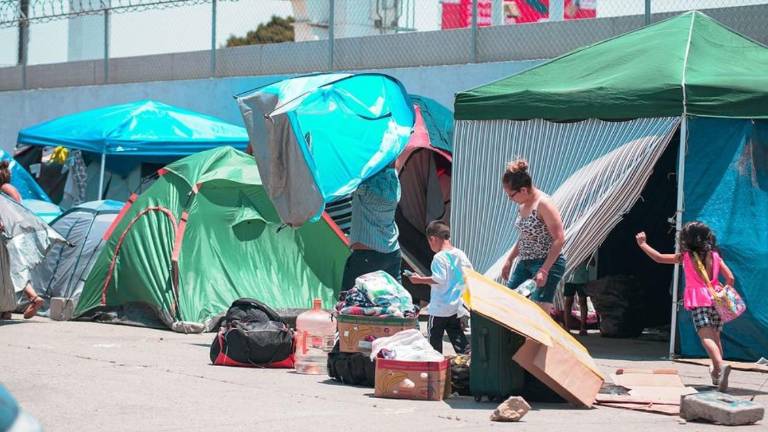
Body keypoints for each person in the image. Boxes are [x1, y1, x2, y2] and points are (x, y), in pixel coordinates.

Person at [635, 222, 735, 391]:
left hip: (699, 300)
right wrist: (722, 293)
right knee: (716, 338)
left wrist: (643, 244)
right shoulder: (716, 256)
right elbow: (730, 279)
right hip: (717, 300)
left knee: (706, 337)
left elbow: (659, 257)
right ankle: (717, 372)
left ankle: (720, 365)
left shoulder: (686, 257)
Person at [500, 159, 566, 311]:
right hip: (525, 262)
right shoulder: (522, 205)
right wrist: (510, 259)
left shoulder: (543, 204)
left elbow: (559, 238)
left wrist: (544, 270)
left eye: (511, 196)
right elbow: (524, 236)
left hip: (546, 263)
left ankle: (542, 335)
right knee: (509, 303)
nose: (510, 200)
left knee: (539, 312)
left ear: (523, 190)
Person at [407, 220, 471, 354]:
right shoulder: (459, 254)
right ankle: (468, 364)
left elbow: (439, 279)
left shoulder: (439, 258)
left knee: (434, 341)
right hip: (455, 307)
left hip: (439, 309)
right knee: (458, 337)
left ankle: (436, 366)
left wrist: (419, 280)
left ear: (433, 239)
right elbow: (469, 274)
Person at [340, 164, 402, 291]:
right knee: (394, 301)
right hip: (392, 251)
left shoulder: (365, 186)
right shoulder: (395, 183)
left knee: (349, 302)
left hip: (367, 254)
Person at [0, 161, 44, 320]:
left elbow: (11, 211)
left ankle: (32, 298)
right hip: (16, 233)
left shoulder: (4, 190)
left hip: (11, 235)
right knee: (11, 271)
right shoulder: (11, 189)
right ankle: (6, 310)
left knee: (11, 270)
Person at [563, 258, 593, 336]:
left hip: (582, 279)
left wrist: (587, 257)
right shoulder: (568, 249)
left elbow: (593, 263)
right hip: (569, 278)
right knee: (568, 301)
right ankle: (567, 327)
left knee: (582, 301)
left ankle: (583, 327)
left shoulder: (586, 251)